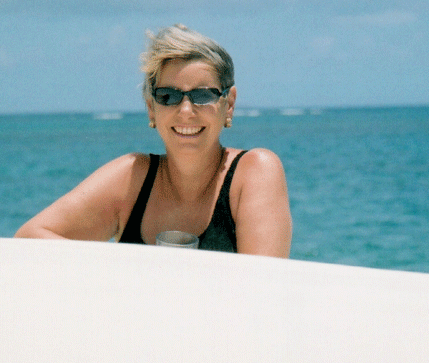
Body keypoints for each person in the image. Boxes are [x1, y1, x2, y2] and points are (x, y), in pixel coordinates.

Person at [15, 24, 292, 257]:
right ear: (151, 108)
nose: (186, 110)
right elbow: (29, 238)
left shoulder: (255, 171)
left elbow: (264, 285)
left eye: (203, 95)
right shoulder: (131, 179)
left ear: (228, 104)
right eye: (168, 96)